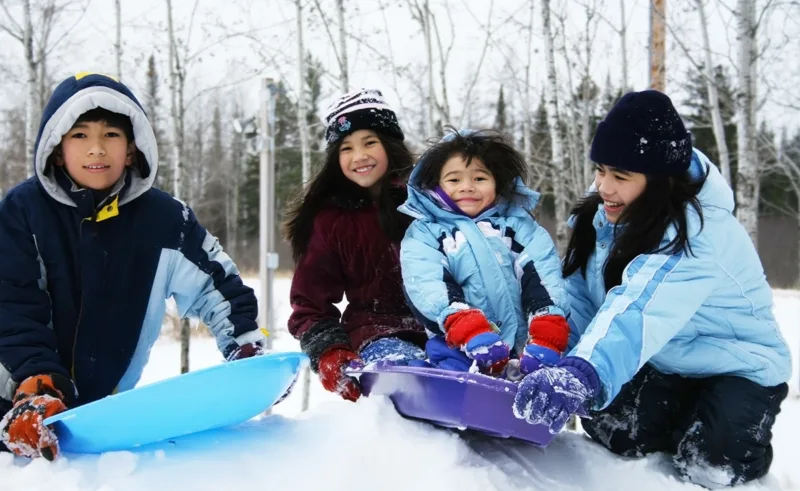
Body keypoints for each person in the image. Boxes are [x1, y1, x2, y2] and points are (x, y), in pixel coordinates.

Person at [512, 90, 792, 488]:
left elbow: (637, 308)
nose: (604, 186)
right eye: (601, 170)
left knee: (712, 463)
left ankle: (733, 429)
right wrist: (543, 355)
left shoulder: (699, 232)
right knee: (614, 430)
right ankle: (679, 416)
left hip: (737, 367)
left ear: (661, 181)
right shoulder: (602, 218)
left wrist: (582, 373)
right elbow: (577, 299)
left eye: (621, 177)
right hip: (665, 361)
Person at [0, 73, 266, 461]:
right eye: (79, 136)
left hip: (103, 417)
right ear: (57, 149)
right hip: (16, 403)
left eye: (111, 135)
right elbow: (11, 304)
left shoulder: (166, 220)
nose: (96, 149)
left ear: (131, 149)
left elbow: (215, 285)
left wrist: (244, 345)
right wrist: (35, 384)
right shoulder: (22, 212)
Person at [283, 88, 427, 402]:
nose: (359, 156)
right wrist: (329, 352)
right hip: (377, 333)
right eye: (346, 148)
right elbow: (310, 305)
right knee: (406, 380)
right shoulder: (331, 221)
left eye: (370, 143)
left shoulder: (428, 203)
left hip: (448, 330)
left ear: (390, 145)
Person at [399, 128, 569, 377]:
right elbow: (426, 280)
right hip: (459, 341)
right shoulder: (427, 233)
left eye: (479, 179)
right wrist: (464, 324)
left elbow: (543, 273)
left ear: (497, 183)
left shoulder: (519, 227)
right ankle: (441, 395)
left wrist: (547, 323)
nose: (467, 187)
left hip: (524, 345)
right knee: (449, 364)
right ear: (436, 185)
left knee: (549, 372)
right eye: (454, 180)